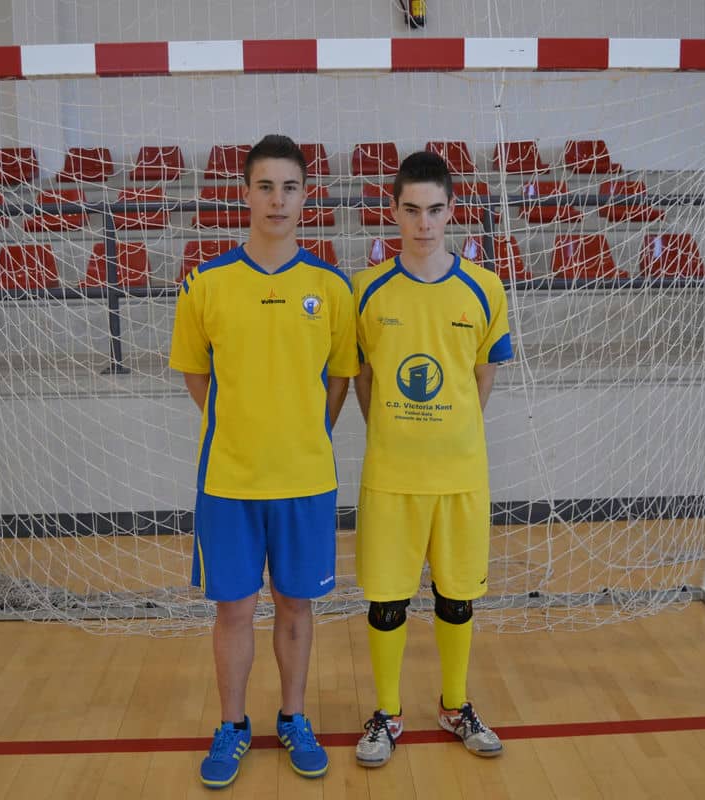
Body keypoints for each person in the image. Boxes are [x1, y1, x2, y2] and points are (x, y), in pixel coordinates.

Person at [169, 134, 358, 788]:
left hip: (306, 477)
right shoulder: (206, 283)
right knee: (233, 610)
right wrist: (243, 426)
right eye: (265, 186)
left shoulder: (331, 286)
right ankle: (231, 724)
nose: (277, 200)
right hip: (229, 478)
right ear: (243, 193)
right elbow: (196, 375)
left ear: (308, 195)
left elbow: (339, 378)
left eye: (290, 187)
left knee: (296, 606)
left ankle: (293, 716)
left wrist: (302, 429)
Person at [350, 150, 513, 767]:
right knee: (387, 599)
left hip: (460, 474)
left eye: (435, 209)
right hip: (392, 475)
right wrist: (393, 430)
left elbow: (483, 377)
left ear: (452, 211)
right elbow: (363, 378)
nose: (424, 223)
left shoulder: (484, 287)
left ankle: (454, 704)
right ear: (393, 211)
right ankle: (387, 714)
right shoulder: (366, 291)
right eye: (412, 210)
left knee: (456, 596)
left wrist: (453, 432)